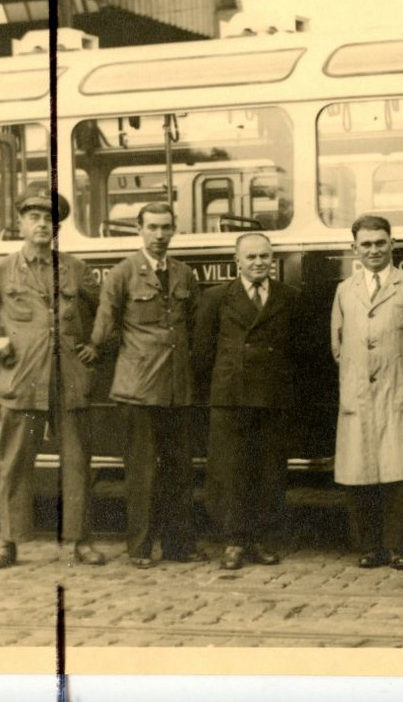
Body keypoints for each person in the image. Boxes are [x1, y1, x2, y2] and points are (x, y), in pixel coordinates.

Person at [0, 183, 104, 570]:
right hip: (22, 382)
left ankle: (81, 541)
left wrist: (95, 345)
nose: (41, 225)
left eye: (49, 219)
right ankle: (8, 543)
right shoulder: (0, 270)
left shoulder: (74, 269)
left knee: (77, 463)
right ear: (20, 223)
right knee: (15, 464)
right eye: (34, 217)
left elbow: (106, 310)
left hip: (68, 382)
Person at [90, 201, 205, 568]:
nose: (159, 235)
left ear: (175, 229)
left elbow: (194, 326)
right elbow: (104, 332)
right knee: (141, 474)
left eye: (166, 227)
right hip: (137, 391)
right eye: (152, 227)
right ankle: (139, 548)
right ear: (139, 229)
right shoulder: (122, 274)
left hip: (177, 389)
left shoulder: (185, 275)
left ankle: (178, 546)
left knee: (179, 471)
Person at [193, 232, 297, 571]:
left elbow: (299, 352)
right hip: (230, 396)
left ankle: (261, 540)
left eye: (264, 256)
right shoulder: (217, 298)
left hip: (271, 396)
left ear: (273, 260)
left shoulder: (288, 297)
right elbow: (204, 353)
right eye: (250, 257)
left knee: (268, 470)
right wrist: (217, 391)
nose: (258, 263)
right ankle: (233, 541)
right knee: (229, 471)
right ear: (237, 262)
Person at [330, 214, 403, 570]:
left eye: (380, 243)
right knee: (359, 476)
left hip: (398, 391)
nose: (373, 250)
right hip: (357, 395)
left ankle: (399, 547)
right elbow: (337, 345)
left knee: (400, 475)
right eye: (366, 244)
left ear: (392, 244)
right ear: (354, 248)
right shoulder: (345, 289)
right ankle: (369, 547)